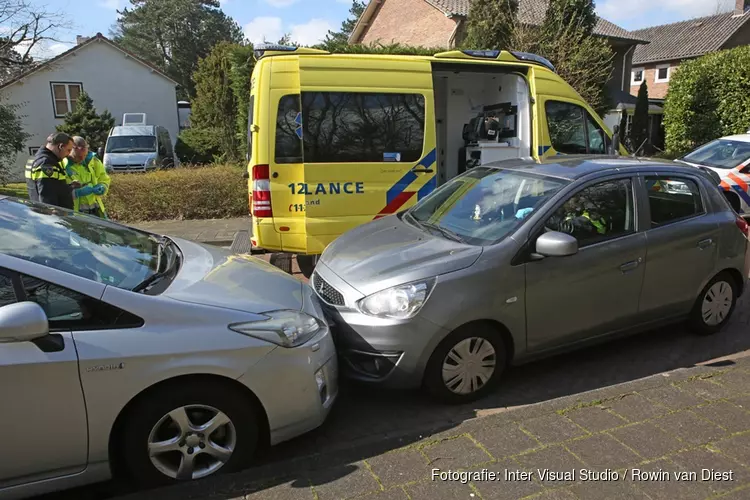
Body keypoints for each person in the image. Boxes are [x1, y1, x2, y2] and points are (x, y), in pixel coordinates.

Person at [63, 136, 111, 218]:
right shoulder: (63, 165)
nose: (82, 159)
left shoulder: (94, 161)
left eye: (84, 155)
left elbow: (104, 178)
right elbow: (59, 192)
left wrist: (102, 186)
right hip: (76, 214)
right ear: (71, 150)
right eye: (79, 156)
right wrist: (76, 193)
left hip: (96, 211)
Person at [25, 133, 76, 209]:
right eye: (68, 150)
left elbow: (52, 186)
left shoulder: (33, 159)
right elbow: (46, 196)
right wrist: (52, 216)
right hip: (53, 215)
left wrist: (70, 187)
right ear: (60, 146)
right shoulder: (46, 163)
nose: (69, 154)